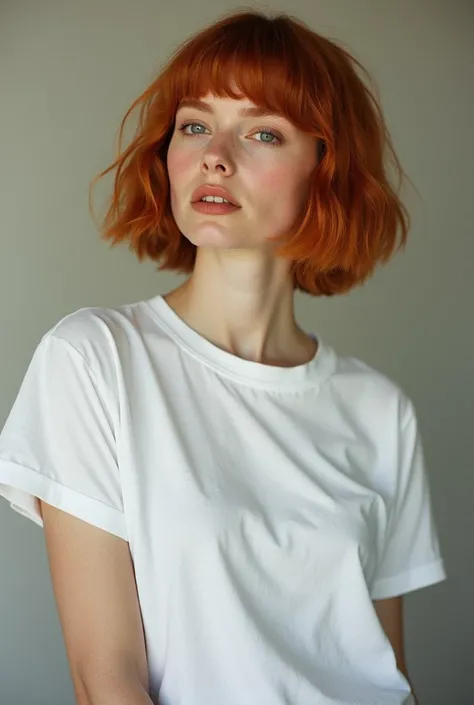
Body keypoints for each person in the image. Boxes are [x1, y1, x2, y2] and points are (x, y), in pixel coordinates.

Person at [0, 9, 446, 705]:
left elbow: (385, 668)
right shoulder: (95, 361)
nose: (215, 154)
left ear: (327, 170)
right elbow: (104, 678)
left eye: (263, 132)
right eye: (195, 124)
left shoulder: (380, 410)